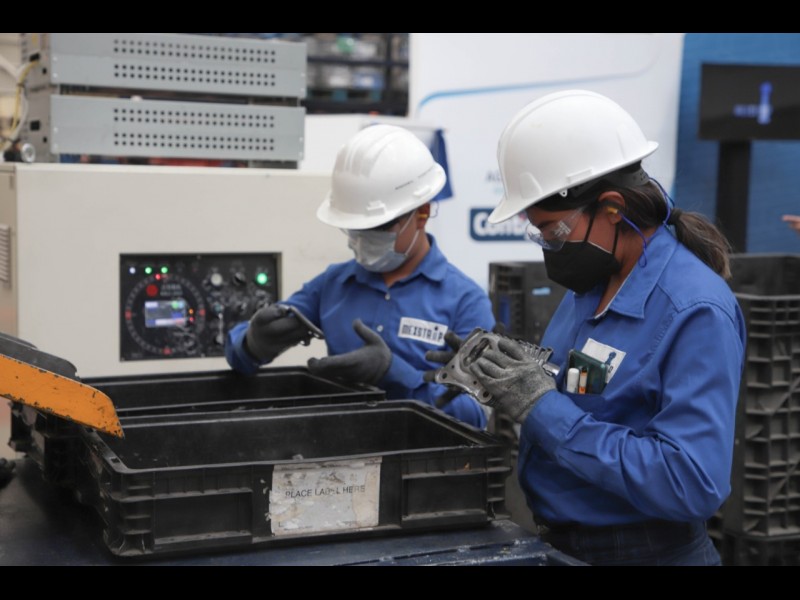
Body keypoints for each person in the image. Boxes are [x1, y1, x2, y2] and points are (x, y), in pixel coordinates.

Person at [429, 90, 746, 565]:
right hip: (565, 544)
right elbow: (590, 386)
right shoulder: (595, 282)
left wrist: (541, 407)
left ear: (613, 208)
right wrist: (506, 371)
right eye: (537, 232)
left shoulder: (694, 311)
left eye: (554, 231)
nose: (548, 246)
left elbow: (691, 482)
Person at [225, 124, 494, 429]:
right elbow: (240, 359)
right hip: (339, 449)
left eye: (378, 227)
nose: (362, 240)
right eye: (354, 228)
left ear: (422, 213)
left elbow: (475, 417)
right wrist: (252, 342)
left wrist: (395, 374)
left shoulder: (465, 301)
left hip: (425, 455)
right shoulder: (333, 285)